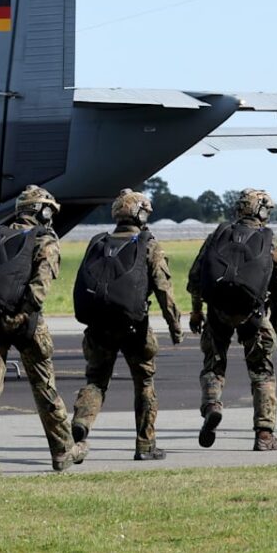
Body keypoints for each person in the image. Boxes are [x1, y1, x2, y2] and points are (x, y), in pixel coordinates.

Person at [0, 185, 84, 477]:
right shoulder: (44, 239)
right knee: (45, 388)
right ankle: (62, 451)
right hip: (26, 323)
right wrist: (21, 315)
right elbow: (40, 288)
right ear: (42, 211)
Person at [71, 189, 183, 461]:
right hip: (135, 327)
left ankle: (82, 421)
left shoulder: (98, 242)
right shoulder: (148, 244)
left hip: (98, 326)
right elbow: (163, 288)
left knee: (96, 380)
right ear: (140, 214)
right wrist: (174, 325)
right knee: (144, 382)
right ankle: (145, 446)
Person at [188, 188, 277, 451]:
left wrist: (197, 311)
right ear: (262, 211)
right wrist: (274, 312)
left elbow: (195, 278)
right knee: (262, 372)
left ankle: (212, 404)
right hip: (254, 315)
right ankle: (265, 434)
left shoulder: (219, 235)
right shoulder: (271, 241)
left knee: (213, 365)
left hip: (217, 313)